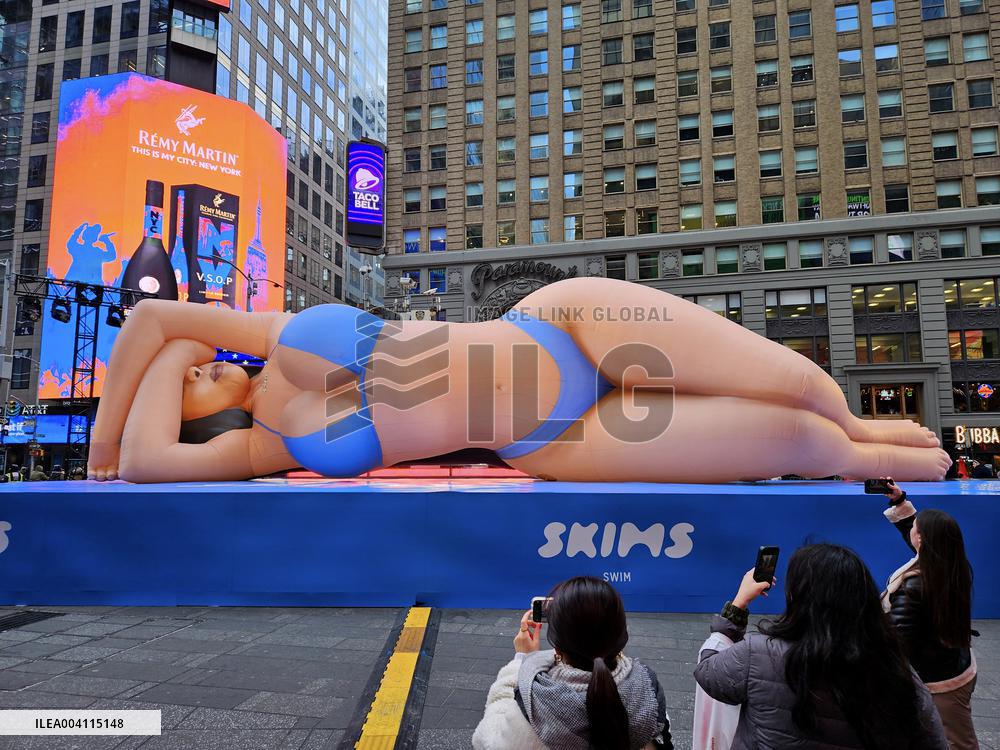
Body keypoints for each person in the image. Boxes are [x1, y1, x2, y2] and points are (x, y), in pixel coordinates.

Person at [88, 278, 949, 483]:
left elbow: (153, 319)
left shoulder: (279, 340)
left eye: (198, 360)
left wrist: (132, 396)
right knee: (792, 441)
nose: (202, 362)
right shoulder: (267, 446)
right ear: (197, 421)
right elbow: (140, 462)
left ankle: (884, 432)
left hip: (562, 325)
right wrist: (159, 377)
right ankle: (907, 460)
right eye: (193, 381)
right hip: (550, 442)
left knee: (793, 378)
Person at [694, 545, 948, 749]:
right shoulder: (898, 672)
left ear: (798, 598)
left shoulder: (760, 654)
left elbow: (709, 670)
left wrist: (739, 604)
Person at [472, 577, 671, 750]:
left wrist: (522, 661)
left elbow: (486, 740)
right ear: (621, 636)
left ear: (557, 648)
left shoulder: (533, 708)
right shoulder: (647, 692)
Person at [882, 478, 979, 749]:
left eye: (914, 528)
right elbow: (918, 536)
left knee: (958, 741)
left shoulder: (914, 587)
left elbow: (896, 640)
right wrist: (900, 501)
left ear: (921, 538)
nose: (911, 531)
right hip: (955, 663)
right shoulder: (949, 564)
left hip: (938, 681)